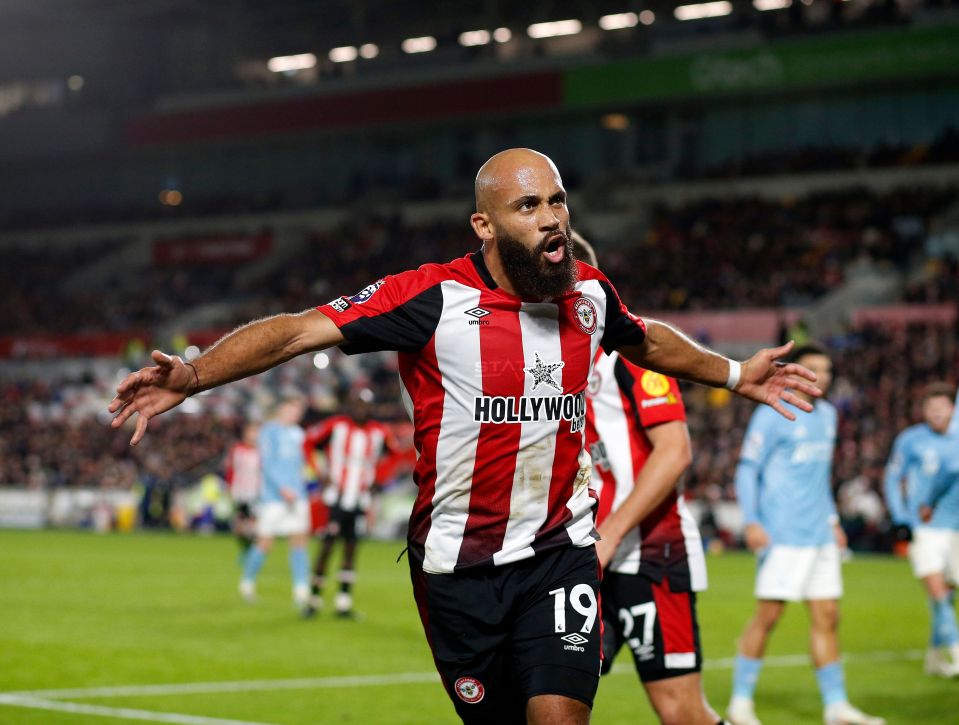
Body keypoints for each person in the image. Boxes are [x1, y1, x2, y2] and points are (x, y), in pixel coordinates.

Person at [109, 148, 820, 725]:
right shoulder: (430, 298)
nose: (550, 219)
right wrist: (194, 374)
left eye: (556, 200)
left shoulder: (589, 295)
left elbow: (646, 341)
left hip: (558, 553)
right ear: (483, 225)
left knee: (560, 715)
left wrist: (733, 373)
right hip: (456, 568)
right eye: (527, 205)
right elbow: (298, 328)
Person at [573, 234, 722, 724]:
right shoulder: (546, 364)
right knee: (546, 703)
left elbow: (675, 451)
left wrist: (611, 535)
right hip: (579, 560)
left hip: (648, 553)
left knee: (681, 713)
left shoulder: (632, 352)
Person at [727, 343, 883, 725]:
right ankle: (740, 702)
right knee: (768, 616)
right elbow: (748, 470)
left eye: (826, 370)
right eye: (813, 369)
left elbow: (818, 479)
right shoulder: (772, 411)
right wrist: (751, 520)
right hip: (783, 534)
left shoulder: (828, 414)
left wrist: (832, 521)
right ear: (794, 372)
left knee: (828, 616)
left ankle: (836, 706)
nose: (822, 377)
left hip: (819, 533)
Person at [884, 383, 959, 677]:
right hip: (923, 528)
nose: (936, 412)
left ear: (952, 409)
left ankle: (934, 656)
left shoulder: (956, 439)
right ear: (924, 411)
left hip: (954, 529)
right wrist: (901, 517)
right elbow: (892, 479)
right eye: (931, 407)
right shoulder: (911, 440)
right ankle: (955, 653)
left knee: (947, 595)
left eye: (942, 407)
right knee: (938, 592)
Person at [302, 391, 397, 617]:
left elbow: (394, 455)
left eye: (365, 405)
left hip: (360, 500)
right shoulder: (336, 426)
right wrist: (319, 472)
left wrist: (379, 478)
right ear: (350, 406)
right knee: (327, 546)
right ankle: (313, 601)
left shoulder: (379, 432)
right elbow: (308, 443)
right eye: (357, 404)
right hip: (336, 498)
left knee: (351, 548)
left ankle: (343, 603)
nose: (360, 409)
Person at [238, 396, 312, 611]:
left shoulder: (299, 434)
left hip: (297, 495)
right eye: (292, 409)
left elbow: (302, 464)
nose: (295, 414)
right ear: (282, 408)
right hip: (274, 497)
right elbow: (267, 464)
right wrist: (282, 488)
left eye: (298, 411)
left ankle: (301, 589)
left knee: (299, 540)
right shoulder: (270, 431)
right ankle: (247, 583)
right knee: (265, 542)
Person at [224, 422, 261, 556]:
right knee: (240, 525)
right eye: (251, 432)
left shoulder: (262, 451)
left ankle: (253, 552)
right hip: (240, 491)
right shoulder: (237, 449)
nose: (254, 435)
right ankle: (244, 547)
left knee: (254, 524)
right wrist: (229, 486)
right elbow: (231, 469)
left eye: (256, 432)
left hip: (256, 491)